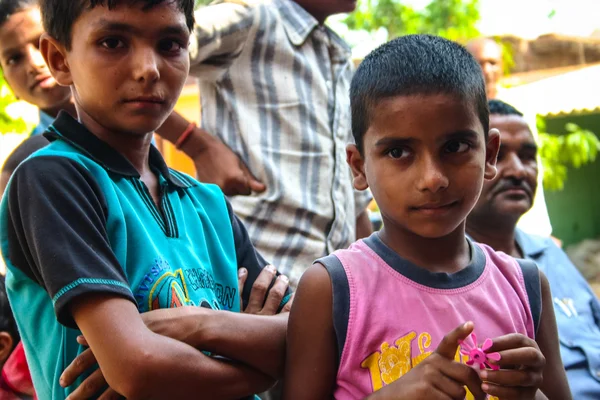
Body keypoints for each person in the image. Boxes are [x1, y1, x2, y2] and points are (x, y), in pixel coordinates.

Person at [0, 1, 291, 399]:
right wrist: (258, 370)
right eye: (114, 42)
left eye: (170, 43)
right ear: (60, 59)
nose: (148, 68)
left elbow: (309, 337)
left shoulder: (207, 203)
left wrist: (197, 325)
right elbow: (138, 369)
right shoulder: (53, 179)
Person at [283, 35, 571, 400]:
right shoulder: (333, 288)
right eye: (399, 151)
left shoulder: (525, 286)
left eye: (455, 147)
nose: (432, 178)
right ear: (358, 167)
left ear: (489, 154)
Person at [159, 0, 373, 287]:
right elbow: (144, 58)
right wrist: (195, 143)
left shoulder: (339, 57)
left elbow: (355, 204)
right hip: (249, 281)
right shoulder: (248, 17)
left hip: (326, 297)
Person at [467, 99, 600, 400]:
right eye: (498, 156)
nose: (517, 171)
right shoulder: (455, 277)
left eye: (528, 156)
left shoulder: (547, 252)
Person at [466, 37, 553, 238]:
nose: (487, 70)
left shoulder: (521, 107)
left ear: (502, 67)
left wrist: (543, 232)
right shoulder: (457, 113)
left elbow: (531, 165)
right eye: (479, 63)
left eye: (492, 63)